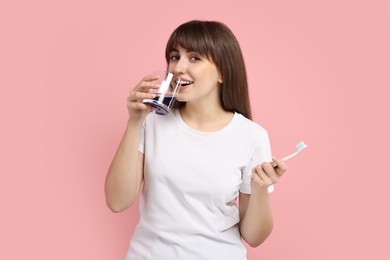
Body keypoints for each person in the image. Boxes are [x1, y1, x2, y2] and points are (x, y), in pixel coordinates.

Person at [105, 20, 287, 260]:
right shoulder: (152, 122)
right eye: (174, 56)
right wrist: (134, 122)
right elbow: (117, 202)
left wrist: (260, 189)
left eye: (194, 58)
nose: (178, 67)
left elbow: (254, 237)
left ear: (223, 72)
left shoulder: (251, 136)